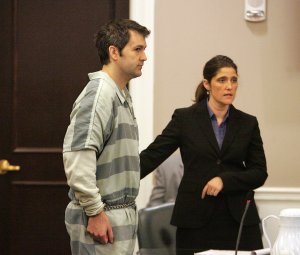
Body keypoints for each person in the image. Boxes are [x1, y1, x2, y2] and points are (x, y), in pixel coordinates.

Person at [140, 55, 268, 254]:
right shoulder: (185, 118)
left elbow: (259, 173)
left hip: (239, 221)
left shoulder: (248, 123)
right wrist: (116, 183)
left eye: (234, 80)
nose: (229, 86)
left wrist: (224, 180)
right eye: (222, 80)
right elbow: (152, 156)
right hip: (194, 220)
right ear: (207, 84)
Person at [63, 19, 150, 255]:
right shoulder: (99, 95)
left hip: (117, 219)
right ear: (114, 52)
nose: (144, 57)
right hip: (101, 220)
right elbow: (77, 159)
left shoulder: (119, 93)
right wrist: (95, 212)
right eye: (137, 49)